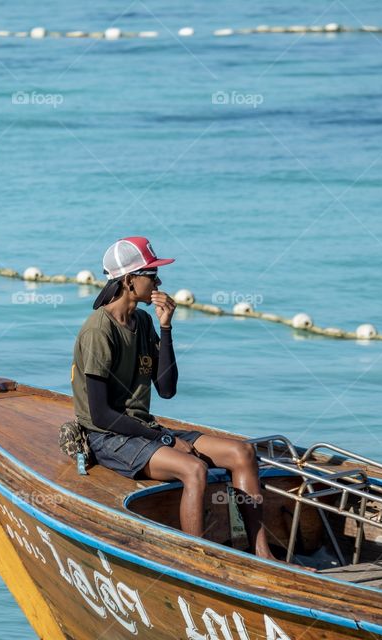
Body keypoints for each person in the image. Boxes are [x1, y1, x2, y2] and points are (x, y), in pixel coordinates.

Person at [70, 236, 274, 560]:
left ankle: (263, 555)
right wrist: (164, 438)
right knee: (193, 470)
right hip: (109, 438)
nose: (158, 281)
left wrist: (166, 329)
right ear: (128, 280)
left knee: (243, 452)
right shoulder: (99, 330)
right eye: (151, 274)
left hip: (142, 429)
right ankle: (197, 561)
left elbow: (166, 389)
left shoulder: (144, 321)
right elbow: (100, 416)